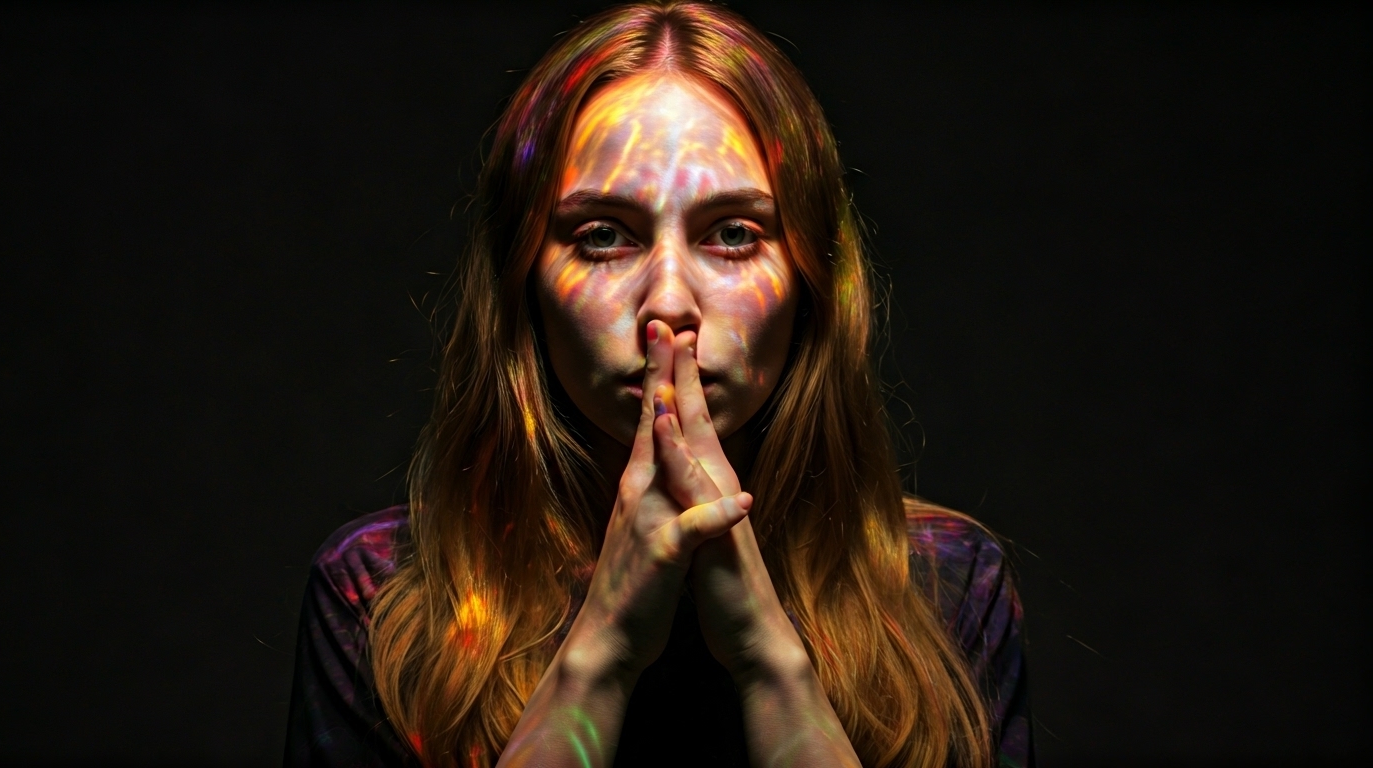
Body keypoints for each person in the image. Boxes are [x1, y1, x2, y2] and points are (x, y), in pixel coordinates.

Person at [284, 3, 1032, 766]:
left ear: (810, 281)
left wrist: (773, 668)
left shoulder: (941, 589)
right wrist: (599, 657)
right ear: (524, 286)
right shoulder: (381, 600)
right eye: (603, 235)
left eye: (734, 234)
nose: (669, 301)